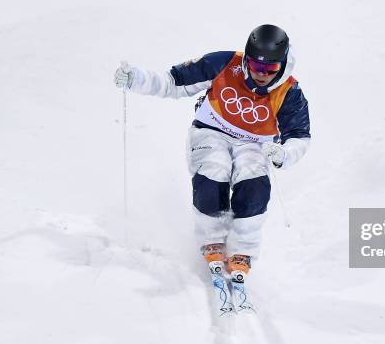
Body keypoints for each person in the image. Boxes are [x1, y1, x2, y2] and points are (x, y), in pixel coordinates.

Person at [114, 24, 311, 282]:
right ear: (247, 59)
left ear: (283, 65)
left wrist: (284, 154)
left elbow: (299, 136)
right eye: (255, 66)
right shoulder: (225, 63)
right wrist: (136, 79)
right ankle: (212, 240)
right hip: (211, 130)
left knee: (253, 179)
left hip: (254, 144)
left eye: (270, 69)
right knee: (214, 169)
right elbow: (173, 81)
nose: (261, 74)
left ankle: (243, 249)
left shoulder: (289, 92)